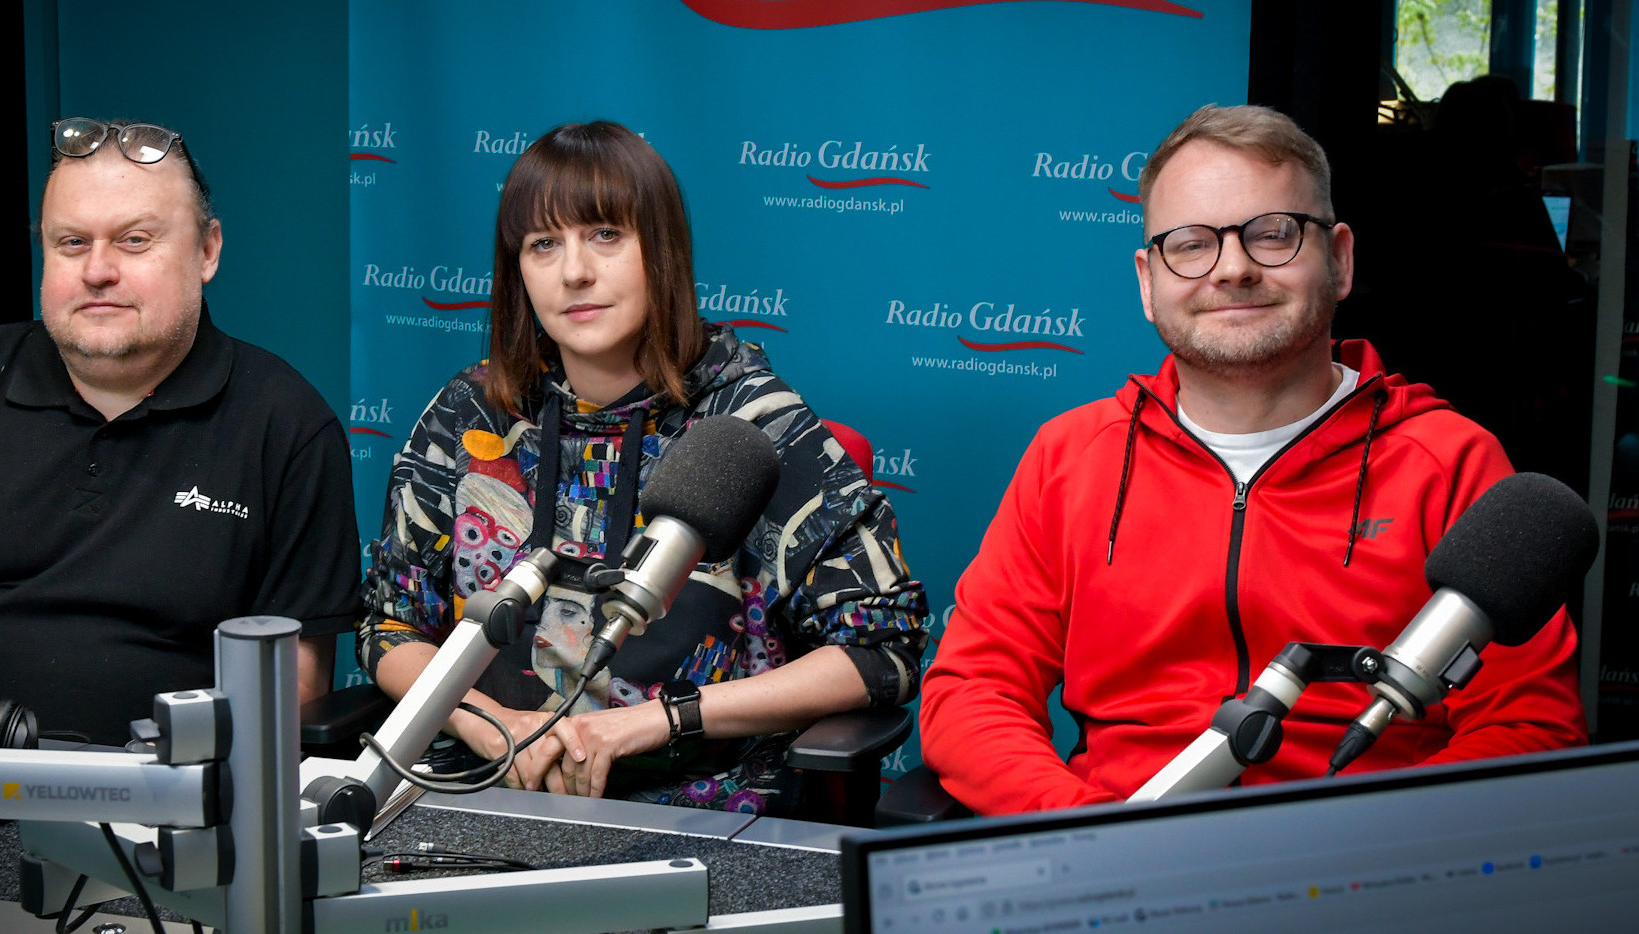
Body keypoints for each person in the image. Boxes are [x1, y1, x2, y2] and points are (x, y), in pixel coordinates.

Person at [919, 104, 1586, 815]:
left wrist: (1357, 847)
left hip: (1359, 874)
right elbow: (971, 691)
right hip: (1113, 865)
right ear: (1147, 281)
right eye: (1191, 244)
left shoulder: (1446, 462)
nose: (1232, 269)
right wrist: (1082, 831)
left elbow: (1528, 723)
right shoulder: (1071, 458)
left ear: (1339, 260)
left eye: (1272, 234)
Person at [361, 121, 926, 815]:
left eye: (604, 235)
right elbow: (390, 626)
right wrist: (492, 726)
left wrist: (654, 721)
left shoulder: (752, 423)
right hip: (483, 787)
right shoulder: (468, 415)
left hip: (697, 807)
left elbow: (881, 651)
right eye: (543, 244)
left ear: (659, 251)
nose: (574, 271)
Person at [0, 118, 362, 745]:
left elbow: (295, 691)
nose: (98, 270)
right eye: (71, 243)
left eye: (134, 240)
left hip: (166, 815)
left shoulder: (286, 426)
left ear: (208, 251)